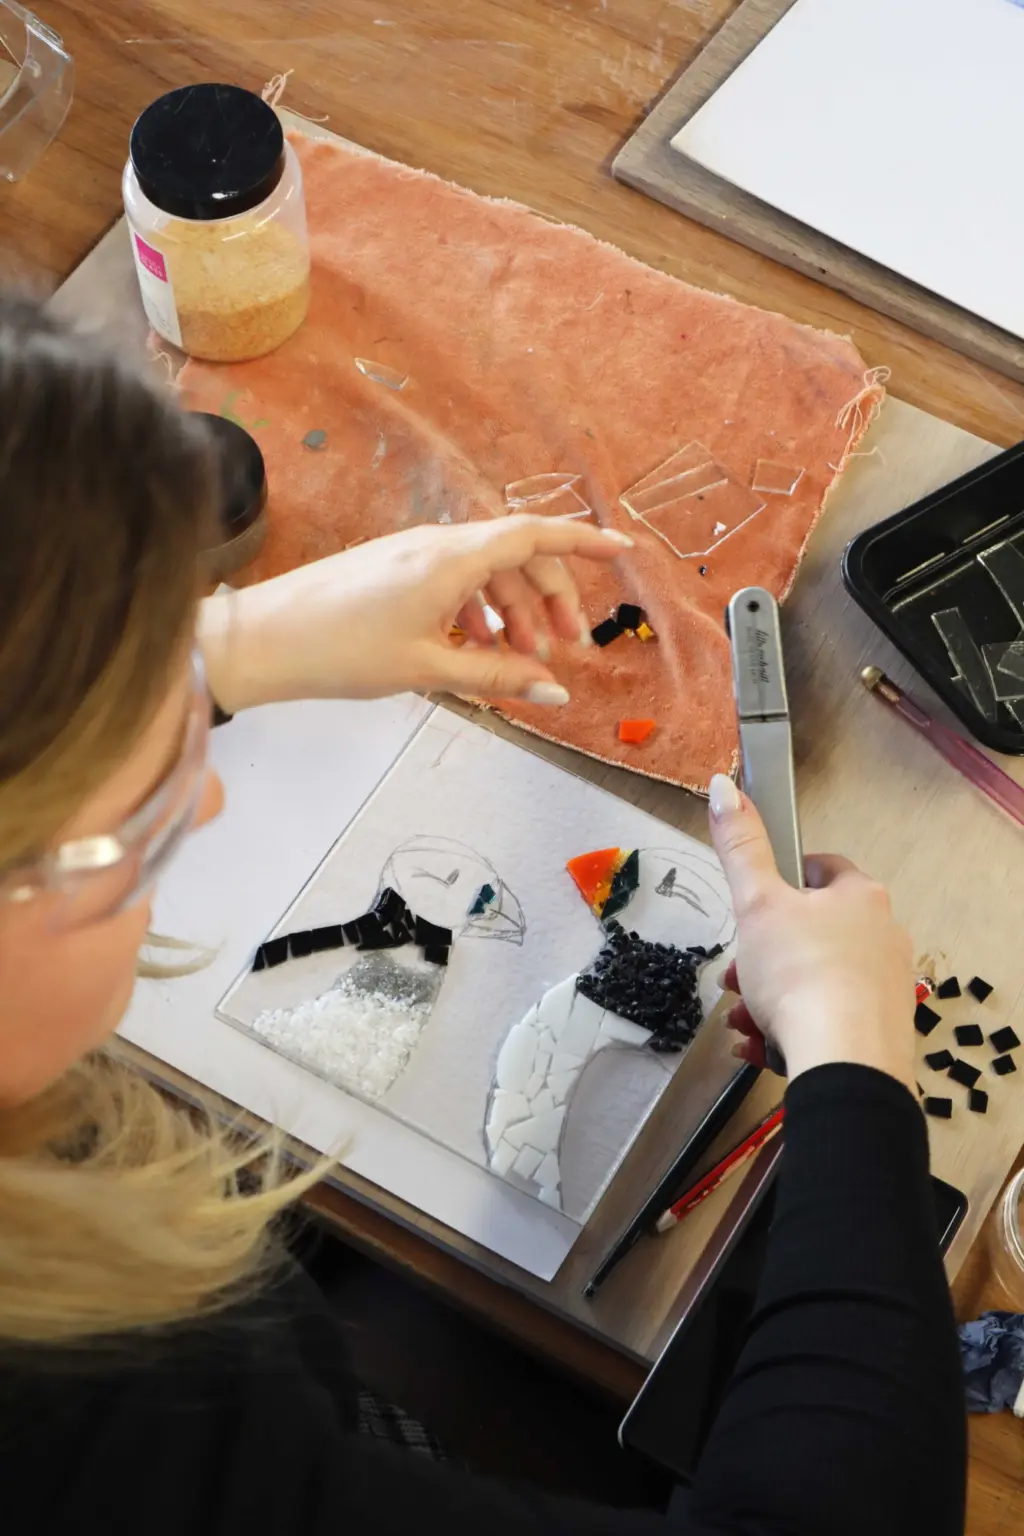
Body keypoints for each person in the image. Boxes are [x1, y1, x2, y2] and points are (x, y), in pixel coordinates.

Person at [0, 297, 965, 1535]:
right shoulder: (98, 1435)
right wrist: (855, 1063)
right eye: (134, 805)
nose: (208, 793)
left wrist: (230, 646)